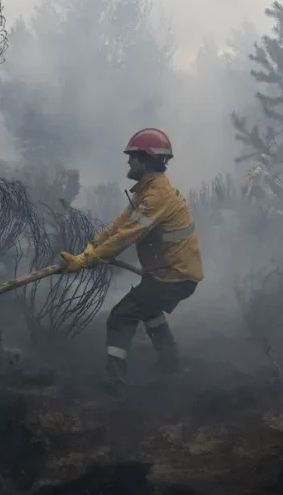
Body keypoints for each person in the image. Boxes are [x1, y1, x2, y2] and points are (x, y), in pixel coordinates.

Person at [59, 128, 204, 388]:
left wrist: (88, 261)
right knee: (148, 310)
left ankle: (113, 379)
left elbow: (128, 234)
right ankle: (170, 363)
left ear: (146, 159)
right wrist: (91, 248)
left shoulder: (157, 196)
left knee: (121, 316)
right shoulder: (147, 192)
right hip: (168, 272)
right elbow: (120, 225)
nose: (128, 161)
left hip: (174, 276)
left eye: (132, 156)